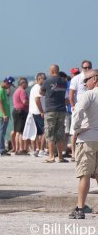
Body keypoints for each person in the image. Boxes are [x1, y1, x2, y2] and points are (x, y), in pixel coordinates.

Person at [69, 69, 98, 219]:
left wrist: (77, 129)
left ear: (95, 78)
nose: (84, 83)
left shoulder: (89, 95)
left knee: (84, 174)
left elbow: (78, 111)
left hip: (87, 138)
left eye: (86, 80)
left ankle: (80, 208)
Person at [40, 64, 68, 163]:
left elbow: (41, 92)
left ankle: (51, 156)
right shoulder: (64, 82)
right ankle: (60, 156)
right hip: (61, 110)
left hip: (50, 110)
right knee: (60, 134)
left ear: (51, 71)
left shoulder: (47, 81)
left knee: (50, 134)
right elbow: (66, 97)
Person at [69, 61, 92, 161]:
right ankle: (74, 153)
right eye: (85, 67)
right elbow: (71, 93)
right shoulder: (76, 78)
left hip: (91, 107)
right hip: (79, 107)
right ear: (82, 67)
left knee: (90, 128)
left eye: (88, 67)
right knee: (75, 131)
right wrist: (73, 105)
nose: (87, 69)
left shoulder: (93, 77)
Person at [0, 76, 15, 156]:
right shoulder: (0, 90)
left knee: (2, 132)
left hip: (5, 114)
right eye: (9, 85)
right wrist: (4, 115)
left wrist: (8, 94)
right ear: (6, 83)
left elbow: (4, 100)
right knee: (1, 132)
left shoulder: (3, 90)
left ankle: (1, 149)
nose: (10, 87)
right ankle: (1, 150)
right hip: (2, 114)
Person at [28, 72, 47, 157]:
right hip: (38, 112)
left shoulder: (34, 87)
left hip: (33, 112)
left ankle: (36, 150)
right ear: (39, 79)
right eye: (44, 79)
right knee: (45, 131)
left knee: (35, 132)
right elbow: (37, 100)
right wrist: (42, 111)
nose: (45, 80)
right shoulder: (38, 88)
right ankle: (41, 150)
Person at [12, 77, 29, 155]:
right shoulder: (22, 91)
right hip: (21, 112)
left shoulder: (16, 91)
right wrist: (31, 104)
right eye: (26, 83)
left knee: (17, 132)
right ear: (22, 83)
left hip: (16, 111)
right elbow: (24, 102)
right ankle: (21, 149)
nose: (27, 84)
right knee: (21, 131)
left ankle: (17, 148)